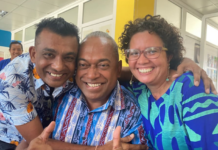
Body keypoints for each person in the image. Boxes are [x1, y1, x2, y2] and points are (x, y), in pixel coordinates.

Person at [0, 17, 213, 150]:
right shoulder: (17, 82)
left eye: (153, 51)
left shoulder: (137, 104)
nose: (58, 66)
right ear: (34, 54)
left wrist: (179, 64)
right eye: (84, 65)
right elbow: (37, 141)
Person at [119, 14, 218, 150]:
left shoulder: (192, 88)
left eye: (152, 51)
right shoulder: (138, 90)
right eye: (134, 53)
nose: (142, 60)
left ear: (169, 56)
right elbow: (107, 74)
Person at [0, 18, 79, 149]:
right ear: (33, 54)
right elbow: (40, 142)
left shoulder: (75, 68)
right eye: (49, 54)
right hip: (11, 138)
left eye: (69, 57)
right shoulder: (12, 81)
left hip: (49, 129)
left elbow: (107, 71)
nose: (59, 67)